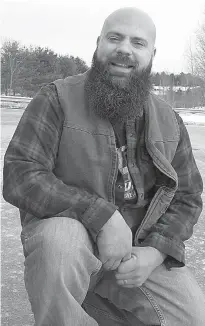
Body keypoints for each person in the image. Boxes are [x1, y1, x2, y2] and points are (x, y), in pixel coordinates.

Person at [3, 6, 205, 326]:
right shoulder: (57, 98)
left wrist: (156, 252)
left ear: (152, 54)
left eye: (137, 43)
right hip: (72, 246)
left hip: (135, 251)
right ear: (98, 44)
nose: (124, 49)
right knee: (61, 242)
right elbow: (20, 172)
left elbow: (188, 195)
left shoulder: (170, 120)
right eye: (115, 38)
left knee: (191, 317)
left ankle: (91, 305)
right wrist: (101, 215)